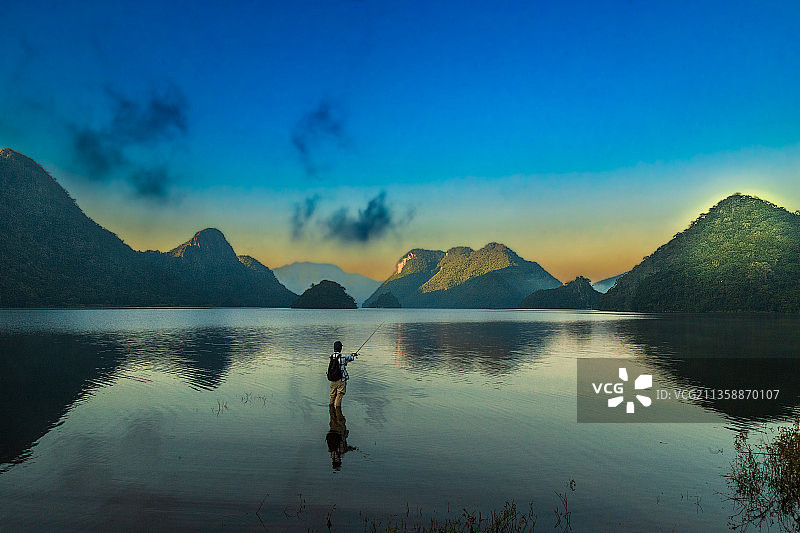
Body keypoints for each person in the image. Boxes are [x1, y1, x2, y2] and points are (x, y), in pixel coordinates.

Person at [328, 340, 356, 407]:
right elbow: (350, 358)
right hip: (341, 380)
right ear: (340, 348)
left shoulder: (331, 356)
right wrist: (353, 355)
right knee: (339, 395)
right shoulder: (343, 356)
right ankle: (338, 410)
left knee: (332, 395)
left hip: (332, 379)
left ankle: (331, 410)